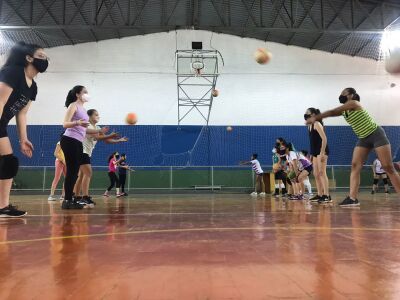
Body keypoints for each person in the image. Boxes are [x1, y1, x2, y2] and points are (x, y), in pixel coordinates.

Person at [306, 87, 400, 206]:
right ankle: (352, 198)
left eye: (343, 93)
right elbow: (334, 113)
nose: (341, 95)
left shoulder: (354, 103)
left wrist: (316, 117)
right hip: (363, 138)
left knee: (388, 167)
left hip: (376, 134)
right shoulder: (344, 110)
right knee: (355, 166)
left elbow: (332, 112)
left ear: (351, 95)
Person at [0, 42, 49, 217]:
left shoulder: (33, 87)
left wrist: (23, 139)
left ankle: (2, 207)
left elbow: (22, 114)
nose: (45, 60)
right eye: (41, 56)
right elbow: (0, 102)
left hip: (1, 125)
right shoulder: (12, 73)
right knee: (6, 161)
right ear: (29, 58)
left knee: (9, 163)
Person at [61, 85, 108, 209]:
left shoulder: (82, 108)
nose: (87, 94)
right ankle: (67, 201)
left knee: (74, 172)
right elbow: (65, 124)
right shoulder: (73, 105)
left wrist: (99, 131)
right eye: (84, 92)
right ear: (77, 94)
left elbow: (84, 129)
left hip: (77, 141)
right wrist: (77, 122)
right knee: (72, 171)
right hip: (69, 139)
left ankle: (70, 199)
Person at [73, 109, 127, 206]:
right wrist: (111, 135)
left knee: (81, 175)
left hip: (86, 152)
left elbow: (106, 140)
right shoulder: (87, 125)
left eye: (98, 115)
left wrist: (118, 140)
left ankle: (76, 197)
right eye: (96, 115)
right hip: (81, 151)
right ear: (89, 116)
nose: (98, 116)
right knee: (88, 172)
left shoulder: (97, 127)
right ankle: (84, 197)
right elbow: (97, 138)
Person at [304, 108, 330, 203]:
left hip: (321, 151)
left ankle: (327, 195)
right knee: (316, 174)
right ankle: (319, 194)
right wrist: (311, 154)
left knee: (322, 173)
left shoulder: (317, 124)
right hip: (315, 152)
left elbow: (324, 139)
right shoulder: (309, 125)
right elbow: (312, 141)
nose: (306, 114)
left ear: (314, 115)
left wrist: (322, 152)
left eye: (308, 113)